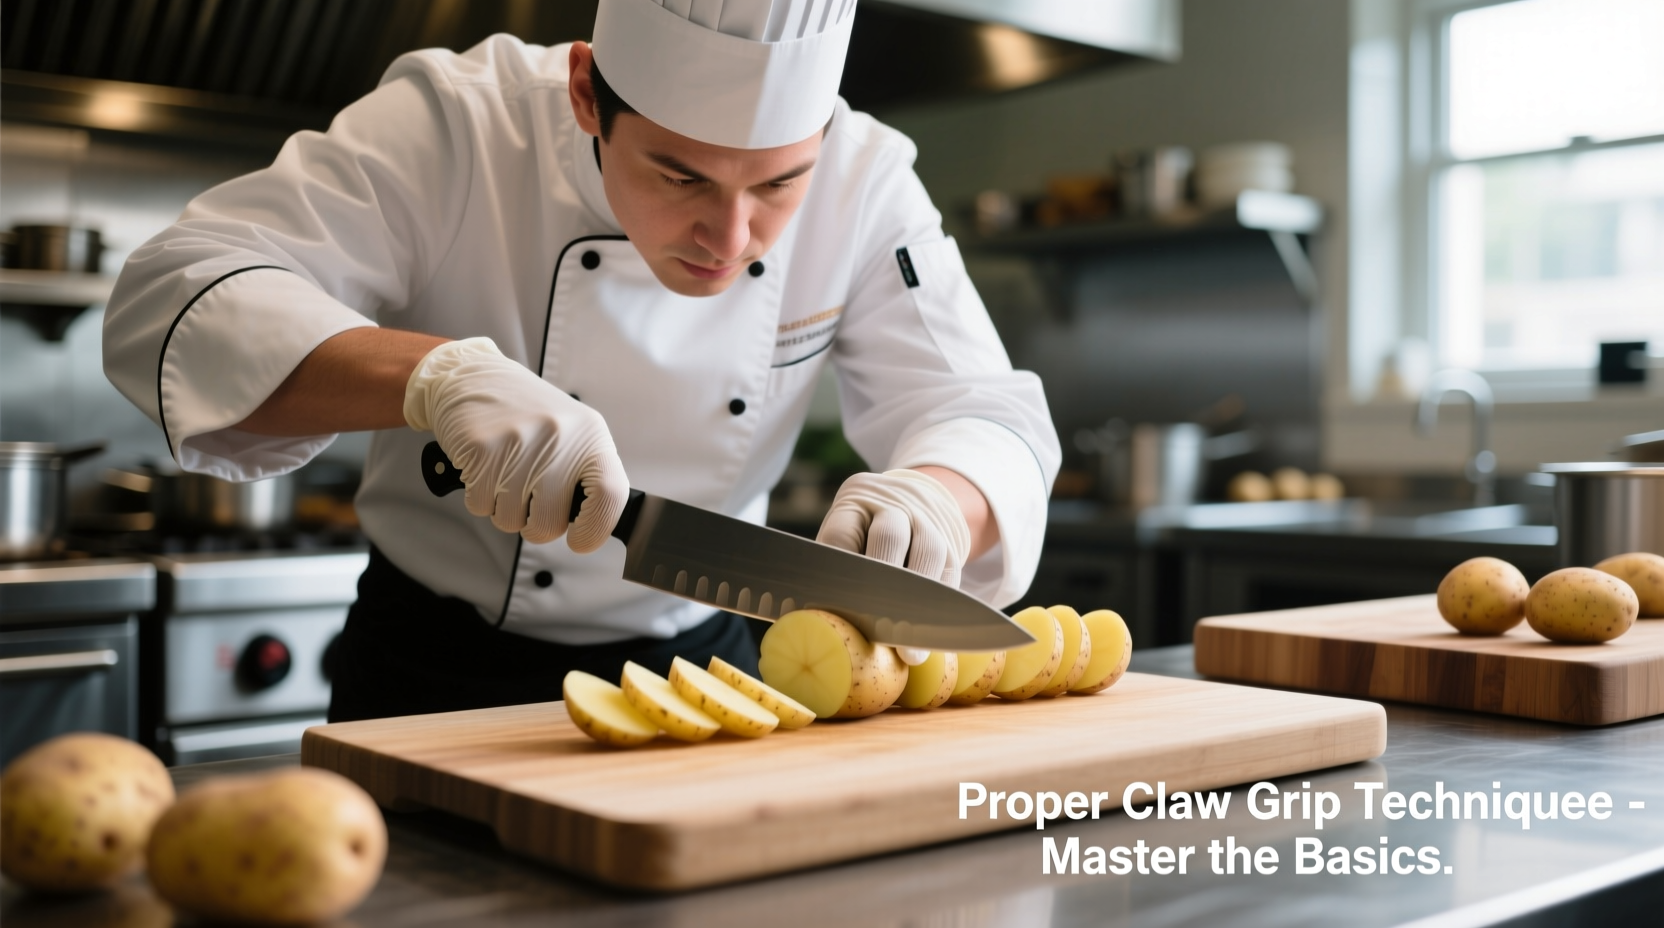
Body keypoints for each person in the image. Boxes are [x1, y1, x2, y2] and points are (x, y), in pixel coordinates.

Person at [103, 0, 1059, 722]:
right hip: (432, 673)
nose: (730, 236)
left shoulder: (867, 176)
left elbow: (984, 405)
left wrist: (941, 494)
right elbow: (176, 292)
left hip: (708, 670)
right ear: (584, 94)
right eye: (679, 174)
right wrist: (437, 380)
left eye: (779, 183)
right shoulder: (459, 125)